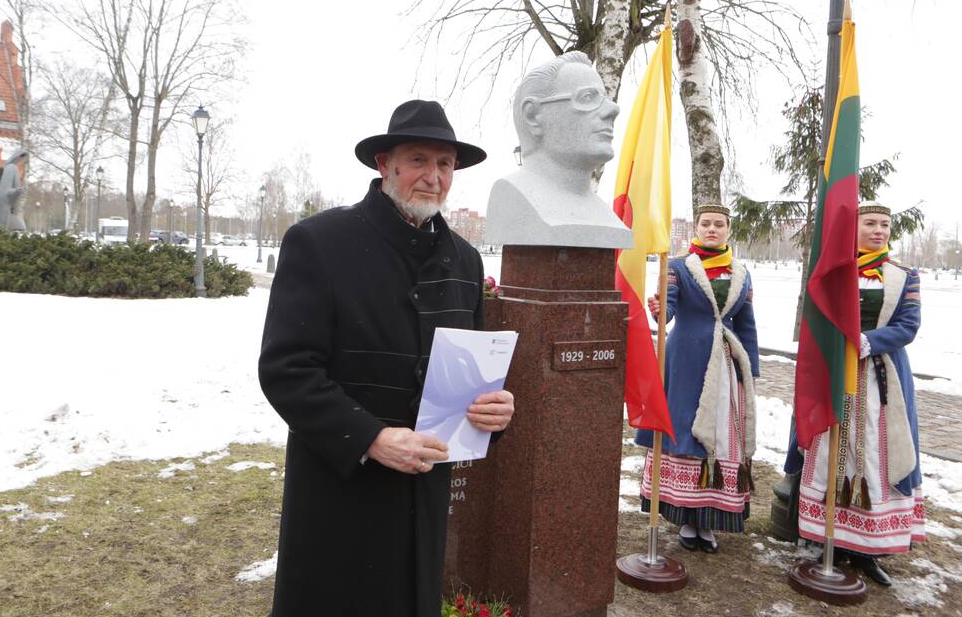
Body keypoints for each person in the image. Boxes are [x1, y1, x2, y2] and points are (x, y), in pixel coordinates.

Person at [258, 99, 515, 617]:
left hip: (424, 488)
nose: (433, 177)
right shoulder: (320, 242)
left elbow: (471, 368)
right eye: (419, 160)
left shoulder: (464, 260)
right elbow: (286, 369)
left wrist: (495, 412)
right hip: (341, 488)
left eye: (445, 165)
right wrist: (371, 438)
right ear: (385, 165)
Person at [784, 202, 923, 586]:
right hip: (832, 374)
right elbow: (815, 317)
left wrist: (867, 340)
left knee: (875, 458)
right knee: (832, 451)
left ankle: (868, 550)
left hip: (880, 379)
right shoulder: (834, 271)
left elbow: (909, 326)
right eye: (870, 223)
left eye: (885, 225)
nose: (879, 230)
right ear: (854, 227)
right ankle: (828, 538)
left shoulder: (903, 276)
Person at [637, 204, 760, 553]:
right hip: (686, 362)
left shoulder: (741, 273)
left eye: (719, 224)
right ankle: (687, 518)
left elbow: (746, 324)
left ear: (728, 230)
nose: (712, 229)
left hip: (726, 365)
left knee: (721, 436)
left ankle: (710, 519)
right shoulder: (678, 266)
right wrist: (659, 309)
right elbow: (670, 310)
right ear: (696, 227)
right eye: (705, 224)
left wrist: (749, 369)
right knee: (687, 432)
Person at [485, 50, 631, 248]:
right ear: (533, 116)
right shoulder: (512, 196)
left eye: (605, 99)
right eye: (588, 97)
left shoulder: (603, 214)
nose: (613, 110)